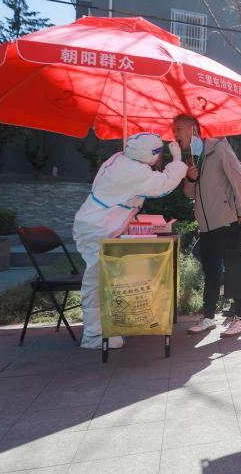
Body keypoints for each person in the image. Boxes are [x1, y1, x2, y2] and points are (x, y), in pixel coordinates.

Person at [72, 133, 187, 349]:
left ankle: (111, 326)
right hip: (97, 227)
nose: (160, 158)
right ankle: (94, 336)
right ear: (151, 154)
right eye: (159, 153)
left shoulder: (119, 159)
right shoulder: (133, 170)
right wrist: (178, 160)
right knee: (96, 281)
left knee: (106, 279)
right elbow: (164, 184)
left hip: (96, 225)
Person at [173, 114, 241, 338]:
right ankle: (208, 317)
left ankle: (240, 319)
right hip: (206, 226)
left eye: (178, 129)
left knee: (234, 271)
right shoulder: (192, 157)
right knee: (211, 274)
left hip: (227, 222)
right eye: (174, 130)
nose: (175, 134)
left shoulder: (218, 147)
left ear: (193, 129)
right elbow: (189, 194)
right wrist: (190, 178)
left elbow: (238, 177)